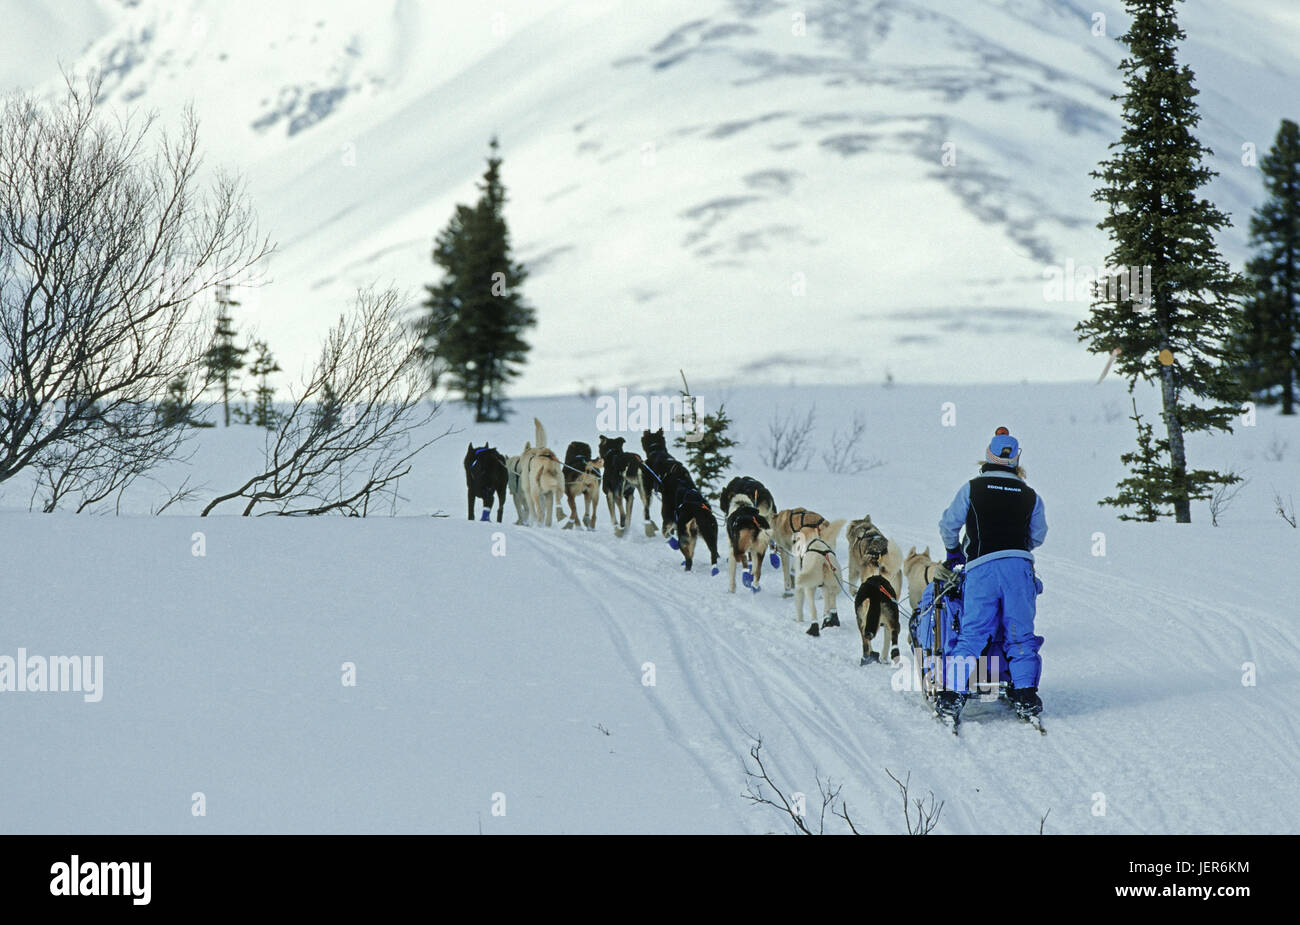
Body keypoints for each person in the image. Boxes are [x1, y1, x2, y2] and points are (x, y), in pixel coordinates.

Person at [935, 427, 1047, 721]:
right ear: (1016, 460)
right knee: (1019, 634)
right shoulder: (1030, 496)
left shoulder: (971, 488)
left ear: (988, 455)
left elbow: (949, 524)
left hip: (981, 568)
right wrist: (1015, 544)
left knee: (972, 633)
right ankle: (1025, 693)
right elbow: (1039, 535)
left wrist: (953, 551)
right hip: (1019, 568)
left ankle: (953, 694)